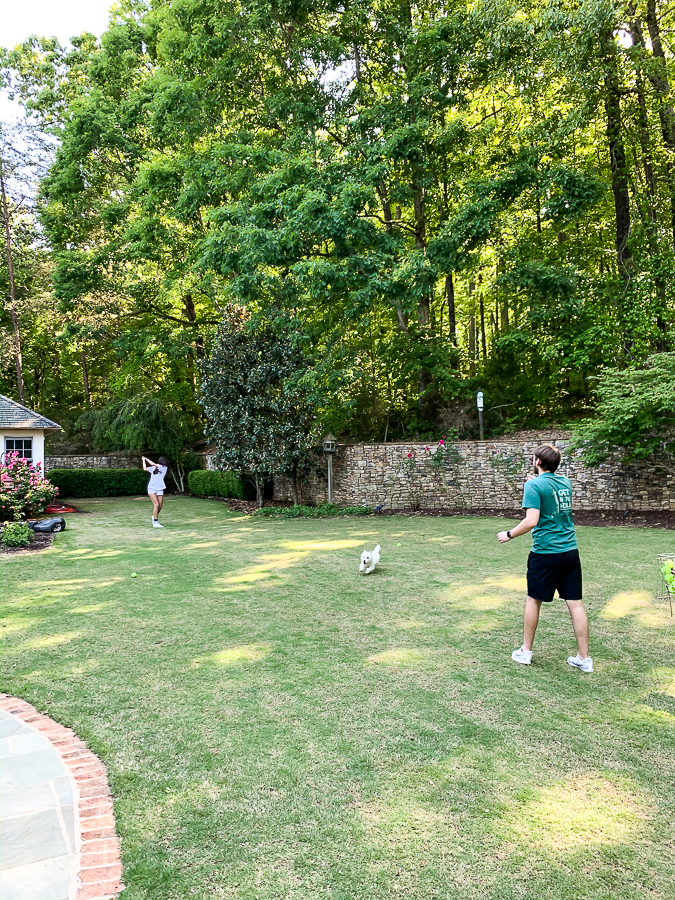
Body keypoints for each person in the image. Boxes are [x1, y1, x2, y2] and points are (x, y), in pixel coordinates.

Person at [497, 443, 593, 673]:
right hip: (570, 551)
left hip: (545, 553)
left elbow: (531, 520)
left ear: (538, 461)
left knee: (533, 600)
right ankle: (584, 658)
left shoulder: (534, 486)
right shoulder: (565, 482)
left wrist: (509, 534)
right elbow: (549, 489)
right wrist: (535, 482)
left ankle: (526, 652)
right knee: (575, 603)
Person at [142, 456, 169, 528]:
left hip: (160, 488)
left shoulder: (164, 468)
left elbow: (153, 464)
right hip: (152, 488)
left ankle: (154, 516)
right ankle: (155, 522)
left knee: (160, 506)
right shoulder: (153, 468)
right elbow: (145, 469)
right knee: (156, 504)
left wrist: (146, 458)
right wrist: (143, 460)